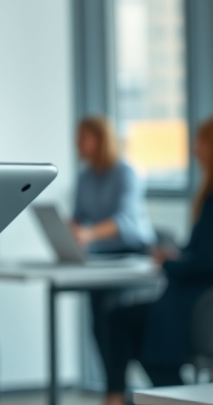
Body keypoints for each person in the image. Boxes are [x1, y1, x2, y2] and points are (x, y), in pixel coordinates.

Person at [101, 117, 213, 405]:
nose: (194, 147)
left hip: (197, 303)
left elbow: (206, 261)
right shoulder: (207, 194)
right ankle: (120, 396)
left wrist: (170, 264)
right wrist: (177, 256)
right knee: (125, 321)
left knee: (129, 324)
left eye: (199, 140)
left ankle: (118, 396)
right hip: (190, 297)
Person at [71, 115, 157, 381]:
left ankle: (117, 390)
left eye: (84, 137)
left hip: (132, 255)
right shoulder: (85, 177)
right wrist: (71, 230)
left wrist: (89, 233)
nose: (78, 143)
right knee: (98, 325)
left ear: (99, 139)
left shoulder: (125, 172)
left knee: (114, 322)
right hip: (100, 257)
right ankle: (114, 388)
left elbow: (125, 219)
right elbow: (79, 215)